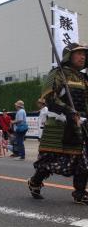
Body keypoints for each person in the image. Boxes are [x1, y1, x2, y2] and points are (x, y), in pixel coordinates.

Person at [28, 43, 88, 205]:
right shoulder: (57, 74)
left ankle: (80, 192)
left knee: (83, 159)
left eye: (84, 54)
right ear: (69, 55)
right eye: (79, 54)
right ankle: (35, 181)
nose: (83, 57)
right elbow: (49, 98)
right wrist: (70, 112)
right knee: (49, 161)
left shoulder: (83, 78)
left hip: (82, 124)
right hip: (60, 125)